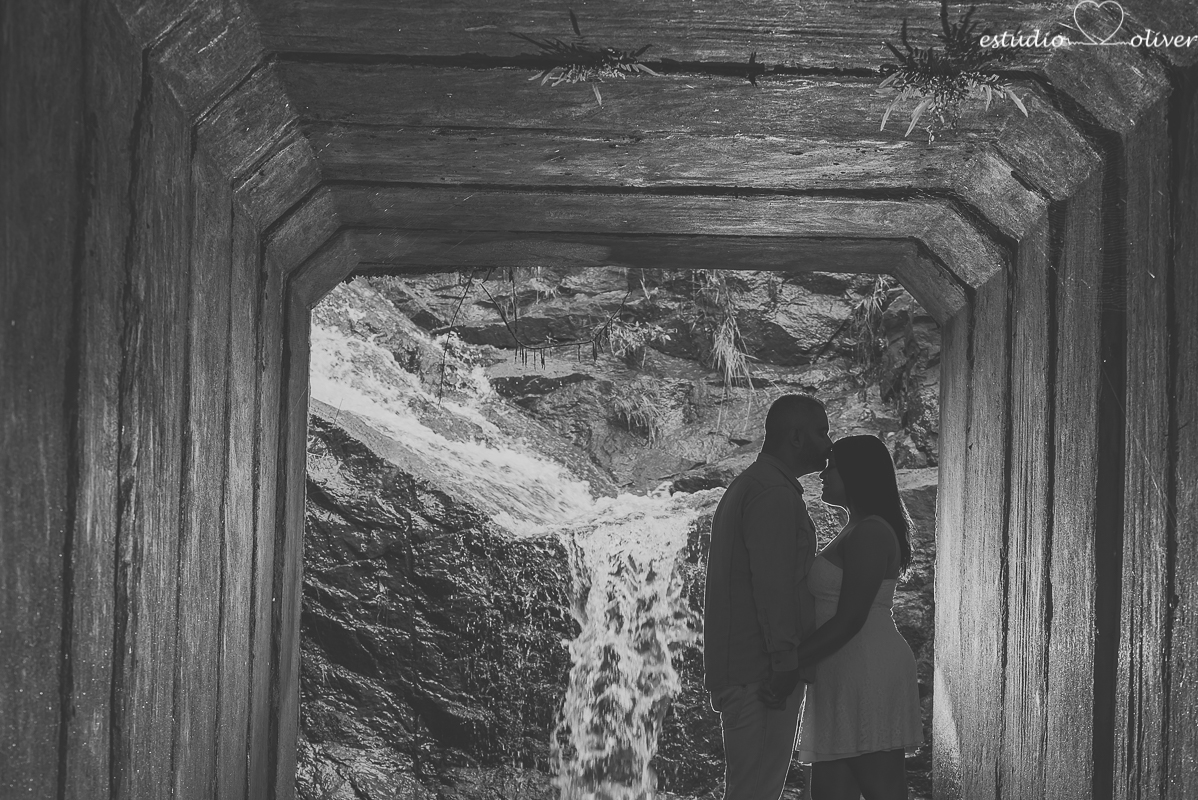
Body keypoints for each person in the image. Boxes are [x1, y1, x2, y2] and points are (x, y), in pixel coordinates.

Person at [703, 393, 833, 800]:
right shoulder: (772, 493)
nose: (829, 444)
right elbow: (774, 585)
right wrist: (784, 662)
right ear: (796, 437)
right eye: (821, 432)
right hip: (761, 676)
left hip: (745, 670)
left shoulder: (753, 485)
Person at [785, 435, 923, 800]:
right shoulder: (857, 529)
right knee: (831, 793)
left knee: (884, 791)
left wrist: (788, 663)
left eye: (832, 467)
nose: (822, 475)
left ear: (856, 475)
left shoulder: (872, 532)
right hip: (842, 669)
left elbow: (850, 619)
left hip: (866, 668)